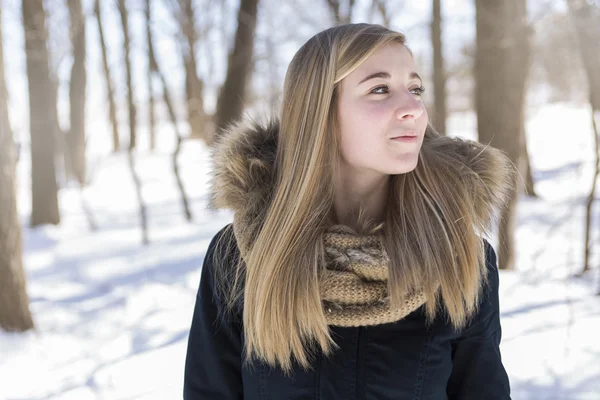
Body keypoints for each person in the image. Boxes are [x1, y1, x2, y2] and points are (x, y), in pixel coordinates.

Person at [184, 23, 514, 399]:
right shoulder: (241, 256)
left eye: (415, 88)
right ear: (319, 113)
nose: (414, 109)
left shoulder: (461, 257)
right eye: (379, 89)